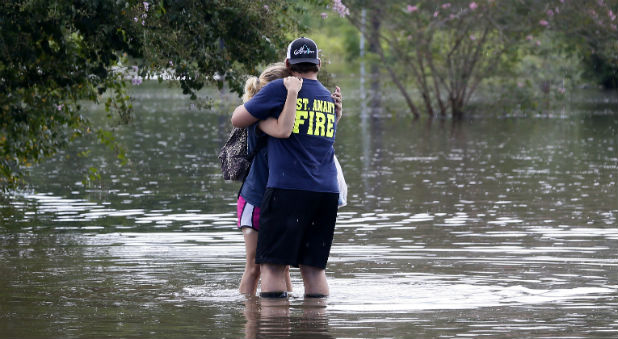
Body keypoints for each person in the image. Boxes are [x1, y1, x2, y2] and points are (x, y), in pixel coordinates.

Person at [231, 37, 342, 298]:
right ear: (319, 64)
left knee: (272, 268)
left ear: (288, 63)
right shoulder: (328, 97)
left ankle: (273, 331)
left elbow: (238, 119)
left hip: (288, 190)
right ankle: (315, 328)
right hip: (326, 193)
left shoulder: (281, 88)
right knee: (314, 270)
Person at [237, 63, 302, 296]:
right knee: (254, 266)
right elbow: (283, 130)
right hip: (255, 199)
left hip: (279, 199)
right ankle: (251, 323)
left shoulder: (290, 115)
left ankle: (280, 322)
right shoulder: (261, 118)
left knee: (283, 267)